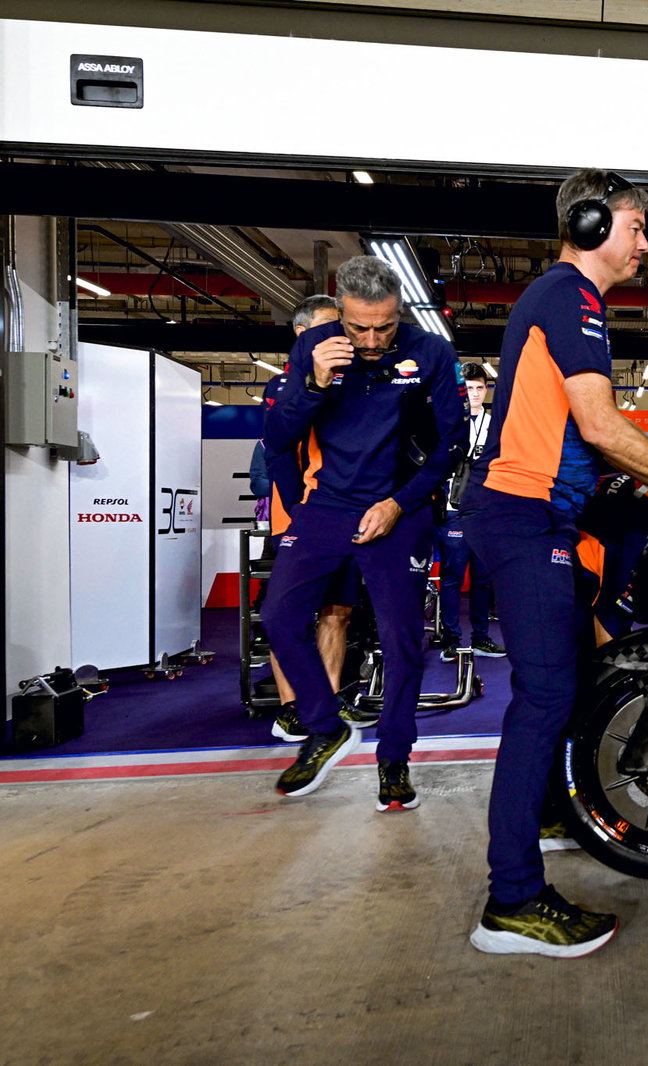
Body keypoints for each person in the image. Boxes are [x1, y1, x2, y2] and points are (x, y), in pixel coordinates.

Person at [460, 169, 648, 957]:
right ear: (589, 223)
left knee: (578, 673)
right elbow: (597, 424)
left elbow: (582, 437)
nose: (645, 244)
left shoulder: (568, 301)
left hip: (539, 513)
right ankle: (512, 902)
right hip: (522, 516)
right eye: (636, 226)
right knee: (546, 695)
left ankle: (549, 810)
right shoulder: (569, 296)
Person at [261, 256, 467, 811]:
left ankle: (394, 758)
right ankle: (324, 726)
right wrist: (313, 383)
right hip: (327, 505)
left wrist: (399, 504)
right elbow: (277, 436)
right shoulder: (315, 346)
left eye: (385, 326)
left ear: (399, 312)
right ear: (340, 313)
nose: (372, 340)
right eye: (359, 328)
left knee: (401, 641)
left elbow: (453, 443)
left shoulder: (431, 351)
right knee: (279, 616)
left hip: (401, 508)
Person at [257, 295, 364, 742]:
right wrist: (299, 511)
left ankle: (329, 704)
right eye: (328, 326)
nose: (340, 335)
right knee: (290, 615)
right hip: (295, 520)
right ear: (303, 334)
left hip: (340, 519)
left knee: (338, 613)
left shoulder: (348, 383)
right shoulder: (283, 386)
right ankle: (290, 709)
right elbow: (279, 453)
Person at [436, 361, 505, 661]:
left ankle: (481, 638)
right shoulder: (448, 421)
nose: (474, 393)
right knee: (452, 576)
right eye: (469, 388)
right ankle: (451, 640)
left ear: (486, 389)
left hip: (486, 511)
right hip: (453, 509)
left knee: (483, 578)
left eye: (479, 387)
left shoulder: (495, 425)